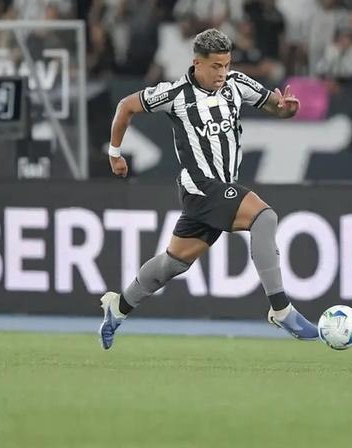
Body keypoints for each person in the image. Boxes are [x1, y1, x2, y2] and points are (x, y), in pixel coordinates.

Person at [98, 28, 318, 350]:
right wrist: (115, 153)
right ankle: (281, 310)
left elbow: (275, 106)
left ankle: (117, 308)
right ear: (197, 63)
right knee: (264, 217)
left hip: (219, 190)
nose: (222, 73)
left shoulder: (237, 84)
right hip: (201, 187)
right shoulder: (174, 95)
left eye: (226, 65)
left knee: (173, 263)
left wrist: (288, 109)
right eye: (216, 66)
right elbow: (125, 106)